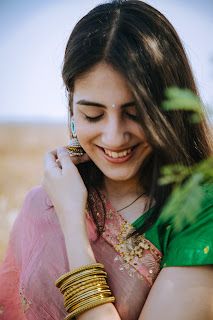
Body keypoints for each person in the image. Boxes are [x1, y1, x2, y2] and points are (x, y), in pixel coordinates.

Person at [0, 0, 213, 319]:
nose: (113, 137)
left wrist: (72, 221)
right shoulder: (42, 204)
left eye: (135, 113)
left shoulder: (200, 210)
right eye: (93, 114)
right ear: (73, 110)